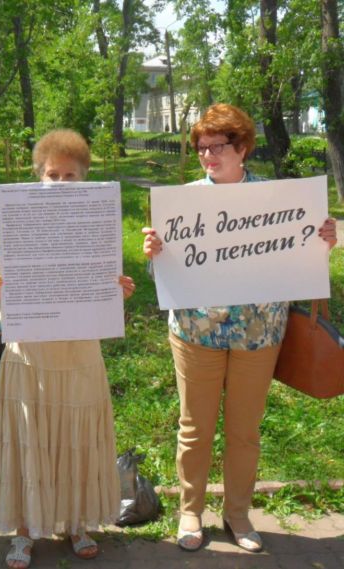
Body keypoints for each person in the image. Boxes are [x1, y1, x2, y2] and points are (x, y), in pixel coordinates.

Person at [141, 103, 338, 553]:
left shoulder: (280, 200)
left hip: (258, 333)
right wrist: (157, 255)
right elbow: (167, 278)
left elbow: (300, 260)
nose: (208, 156)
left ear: (243, 147)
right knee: (195, 427)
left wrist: (325, 239)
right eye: (202, 148)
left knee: (244, 430)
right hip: (195, 332)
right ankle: (190, 510)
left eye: (218, 147)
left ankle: (238, 514)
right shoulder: (182, 201)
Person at [0, 129, 135, 569]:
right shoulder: (19, 222)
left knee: (77, 439)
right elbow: (7, 294)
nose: (62, 182)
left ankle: (77, 523)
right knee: (29, 439)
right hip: (30, 356)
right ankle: (25, 532)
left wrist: (117, 295)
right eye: (53, 174)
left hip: (79, 355)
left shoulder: (99, 228)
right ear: (39, 176)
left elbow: (103, 288)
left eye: (71, 175)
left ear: (84, 178)